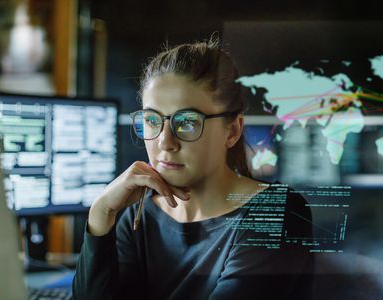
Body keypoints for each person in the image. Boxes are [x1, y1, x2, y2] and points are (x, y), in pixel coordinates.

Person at [72, 38, 315, 300]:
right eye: (152, 120)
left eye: (187, 122)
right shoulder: (138, 217)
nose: (165, 142)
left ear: (232, 131)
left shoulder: (277, 213)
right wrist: (101, 212)